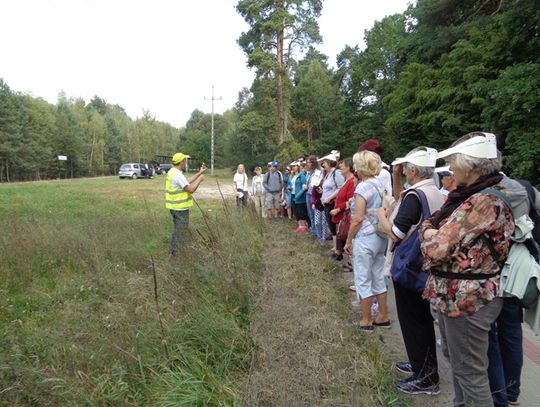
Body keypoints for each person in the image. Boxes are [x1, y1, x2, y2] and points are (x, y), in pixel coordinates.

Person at [420, 132, 514, 407]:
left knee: (470, 372)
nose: (450, 169)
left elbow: (436, 248)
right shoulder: (471, 196)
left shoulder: (483, 201)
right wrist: (431, 231)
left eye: (453, 163)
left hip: (469, 299)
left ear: (471, 167)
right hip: (457, 296)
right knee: (458, 362)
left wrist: (426, 230)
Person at [378, 147, 444, 395]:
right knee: (422, 320)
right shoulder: (432, 191)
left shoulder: (415, 196)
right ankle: (421, 364)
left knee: (413, 321)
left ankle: (426, 377)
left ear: (413, 170)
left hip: (409, 265)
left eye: (405, 167)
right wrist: (396, 175)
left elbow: (394, 232)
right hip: (422, 264)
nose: (403, 170)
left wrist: (382, 216)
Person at [344, 151, 389, 333]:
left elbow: (358, 218)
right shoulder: (379, 184)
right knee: (378, 275)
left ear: (360, 167)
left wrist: (349, 239)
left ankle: (366, 319)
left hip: (365, 237)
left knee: (362, 278)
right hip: (380, 236)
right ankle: (383, 316)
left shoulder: (362, 187)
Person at [165, 152, 206, 257]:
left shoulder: (172, 172)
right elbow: (190, 189)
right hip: (180, 209)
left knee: (177, 230)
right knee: (181, 232)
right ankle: (179, 254)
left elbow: (185, 181)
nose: (185, 162)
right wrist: (200, 180)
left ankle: (173, 252)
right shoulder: (177, 175)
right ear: (181, 162)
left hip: (174, 208)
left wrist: (199, 173)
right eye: (185, 160)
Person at [329, 158, 356, 263]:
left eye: (342, 165)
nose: (340, 166)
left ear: (349, 167)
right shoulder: (347, 180)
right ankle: (339, 253)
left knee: (345, 235)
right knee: (340, 233)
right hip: (340, 213)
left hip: (344, 214)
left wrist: (338, 209)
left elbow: (350, 200)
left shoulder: (351, 181)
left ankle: (351, 261)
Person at [320, 152, 345, 252]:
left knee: (334, 225)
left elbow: (340, 188)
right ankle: (335, 246)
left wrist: (329, 198)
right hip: (327, 203)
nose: (323, 165)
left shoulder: (337, 173)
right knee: (331, 225)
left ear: (330, 163)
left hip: (332, 203)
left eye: (324, 163)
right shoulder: (328, 174)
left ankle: (338, 248)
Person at [305, 155, 322, 235]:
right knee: (310, 213)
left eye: (309, 162)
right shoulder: (309, 173)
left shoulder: (318, 171)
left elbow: (316, 183)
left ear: (313, 163)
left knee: (315, 213)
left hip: (314, 194)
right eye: (307, 162)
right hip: (308, 193)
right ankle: (313, 229)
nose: (307, 164)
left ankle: (318, 231)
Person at [290, 161, 309, 232]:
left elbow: (304, 187)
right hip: (293, 194)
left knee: (301, 211)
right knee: (296, 211)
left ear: (298, 167)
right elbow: (291, 184)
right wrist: (290, 188)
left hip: (300, 196)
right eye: (292, 166)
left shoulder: (302, 176)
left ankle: (304, 226)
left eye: (295, 166)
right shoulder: (293, 176)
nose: (293, 168)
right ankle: (300, 225)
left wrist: (298, 195)